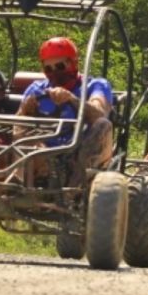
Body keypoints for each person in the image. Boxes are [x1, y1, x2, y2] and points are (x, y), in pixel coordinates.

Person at [15, 37, 113, 186]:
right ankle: (19, 179)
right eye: (49, 69)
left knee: (103, 124)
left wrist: (72, 99)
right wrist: (25, 111)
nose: (55, 72)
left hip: (80, 153)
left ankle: (75, 185)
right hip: (44, 152)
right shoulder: (36, 89)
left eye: (60, 66)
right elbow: (17, 126)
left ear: (74, 63)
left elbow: (100, 113)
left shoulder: (95, 85)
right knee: (20, 122)